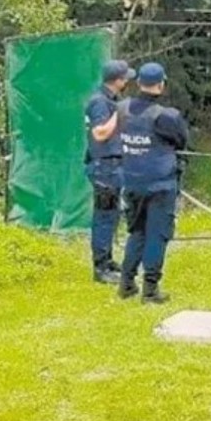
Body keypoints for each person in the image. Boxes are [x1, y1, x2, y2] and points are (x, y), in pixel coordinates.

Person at [115, 62, 189, 304]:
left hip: (132, 182)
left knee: (137, 231)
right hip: (160, 185)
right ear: (161, 85)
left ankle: (126, 283)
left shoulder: (122, 109)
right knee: (157, 234)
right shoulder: (166, 116)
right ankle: (150, 289)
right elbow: (181, 141)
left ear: (138, 83)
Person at [85, 60, 133, 284]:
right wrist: (119, 113)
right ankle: (101, 268)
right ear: (117, 80)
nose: (128, 81)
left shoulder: (110, 101)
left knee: (112, 215)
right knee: (104, 216)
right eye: (125, 77)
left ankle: (108, 259)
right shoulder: (99, 102)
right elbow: (100, 134)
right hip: (103, 167)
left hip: (113, 165)